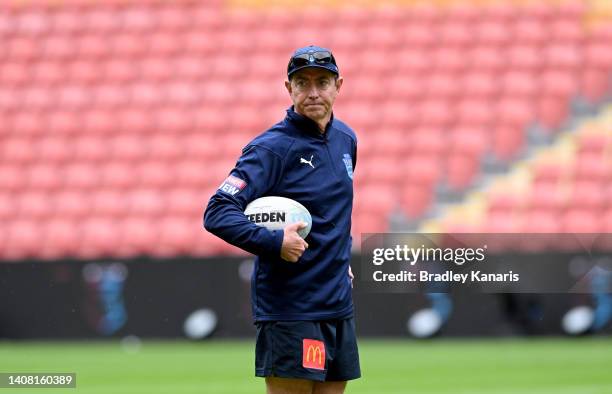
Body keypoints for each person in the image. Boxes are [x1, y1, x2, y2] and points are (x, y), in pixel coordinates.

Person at [204, 45, 360, 394]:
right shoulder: (271, 148)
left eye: (323, 81)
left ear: (339, 86)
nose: (314, 92)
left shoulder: (346, 139)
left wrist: (342, 256)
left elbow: (334, 211)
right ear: (289, 89)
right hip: (292, 309)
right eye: (302, 83)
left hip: (337, 303)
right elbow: (217, 211)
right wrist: (275, 241)